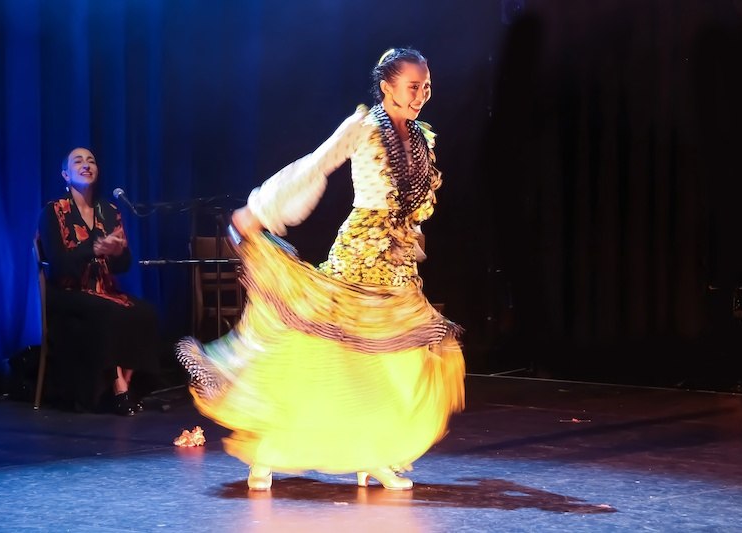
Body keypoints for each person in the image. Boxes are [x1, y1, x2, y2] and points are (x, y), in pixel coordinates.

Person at [177, 47, 465, 490]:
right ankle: (269, 448)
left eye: (427, 86)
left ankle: (374, 454)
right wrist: (259, 210)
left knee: (401, 360)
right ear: (386, 87)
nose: (421, 95)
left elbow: (415, 204)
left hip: (398, 263)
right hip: (361, 254)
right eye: (413, 86)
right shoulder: (363, 127)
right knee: (327, 355)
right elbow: (315, 165)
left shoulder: (421, 138)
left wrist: (412, 238)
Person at [37, 147, 160, 416]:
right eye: (78, 161)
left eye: (91, 161)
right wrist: (92, 249)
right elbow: (58, 264)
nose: (86, 165)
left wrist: (117, 253)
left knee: (145, 312)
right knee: (110, 312)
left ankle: (127, 384)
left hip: (102, 290)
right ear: (65, 175)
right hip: (66, 291)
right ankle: (118, 390)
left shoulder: (109, 211)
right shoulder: (53, 211)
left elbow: (123, 265)